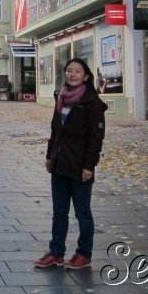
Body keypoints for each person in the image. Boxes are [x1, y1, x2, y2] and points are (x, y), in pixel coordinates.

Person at [34, 57, 106, 271]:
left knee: (82, 212)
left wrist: (89, 166)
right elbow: (55, 132)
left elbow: (96, 138)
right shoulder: (61, 98)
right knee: (59, 212)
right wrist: (49, 157)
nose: (72, 74)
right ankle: (56, 252)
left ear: (85, 76)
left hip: (80, 166)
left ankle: (84, 254)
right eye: (69, 70)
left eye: (77, 71)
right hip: (59, 165)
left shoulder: (92, 103)